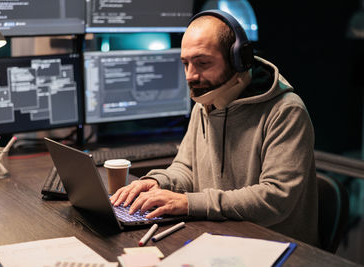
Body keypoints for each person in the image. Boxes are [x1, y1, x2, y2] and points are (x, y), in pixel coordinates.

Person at [110, 10, 318, 246]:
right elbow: (186, 168)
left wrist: (188, 203)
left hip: (275, 247)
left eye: (203, 63)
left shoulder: (286, 111)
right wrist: (159, 182)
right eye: (185, 64)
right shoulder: (206, 102)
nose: (190, 76)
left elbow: (275, 198)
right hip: (221, 239)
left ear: (239, 58)